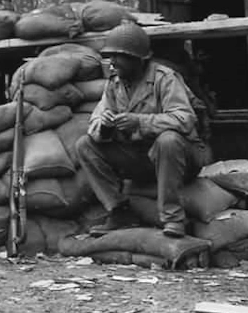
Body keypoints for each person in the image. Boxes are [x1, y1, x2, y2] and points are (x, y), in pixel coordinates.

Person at [76, 21, 211, 238]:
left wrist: (140, 122)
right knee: (85, 145)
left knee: (168, 140)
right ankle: (120, 211)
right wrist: (106, 126)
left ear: (138, 59)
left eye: (119, 56)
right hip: (143, 157)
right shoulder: (115, 83)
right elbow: (95, 122)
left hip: (183, 157)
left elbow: (185, 119)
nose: (113, 62)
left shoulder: (165, 78)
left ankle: (174, 218)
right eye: (111, 56)